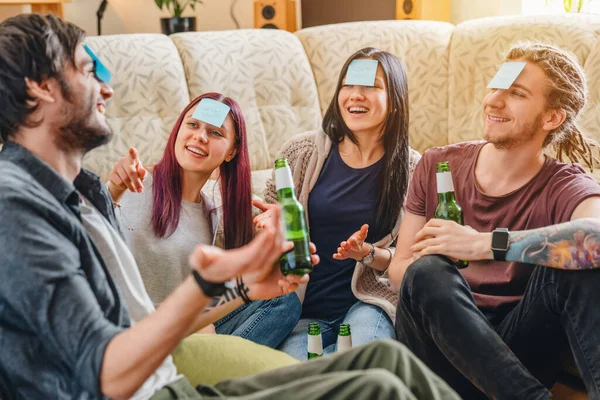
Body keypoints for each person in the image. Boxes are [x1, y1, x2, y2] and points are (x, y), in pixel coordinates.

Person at [0, 13, 465, 400]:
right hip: (151, 390)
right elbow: (106, 372)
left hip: (167, 370)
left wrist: (244, 287)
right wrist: (204, 284)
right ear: (41, 88)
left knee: (389, 358)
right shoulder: (17, 206)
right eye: (89, 71)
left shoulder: (87, 193)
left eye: (215, 133)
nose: (108, 89)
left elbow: (143, 319)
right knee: (378, 387)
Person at [388, 41, 600, 399]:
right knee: (426, 272)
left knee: (581, 262)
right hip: (438, 355)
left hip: (518, 352)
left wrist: (486, 244)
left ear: (552, 117)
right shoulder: (437, 164)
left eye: (515, 93)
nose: (493, 101)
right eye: (495, 87)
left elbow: (596, 239)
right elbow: (398, 273)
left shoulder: (565, 184)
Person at [255, 47, 421, 360]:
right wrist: (269, 231)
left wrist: (369, 253)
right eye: (348, 85)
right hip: (302, 309)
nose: (355, 95)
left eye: (370, 86)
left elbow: (415, 259)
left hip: (370, 304)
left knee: (363, 368)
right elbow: (266, 223)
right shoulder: (301, 152)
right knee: (302, 381)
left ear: (395, 98)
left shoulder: (414, 170)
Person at [107, 92, 300, 348]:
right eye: (193, 125)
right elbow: (83, 232)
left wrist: (273, 232)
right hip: (131, 330)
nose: (200, 136)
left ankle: (218, 370)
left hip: (187, 330)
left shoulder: (217, 213)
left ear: (232, 151)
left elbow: (256, 277)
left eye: (216, 133)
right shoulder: (134, 181)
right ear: (178, 130)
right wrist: (112, 190)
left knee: (284, 300)